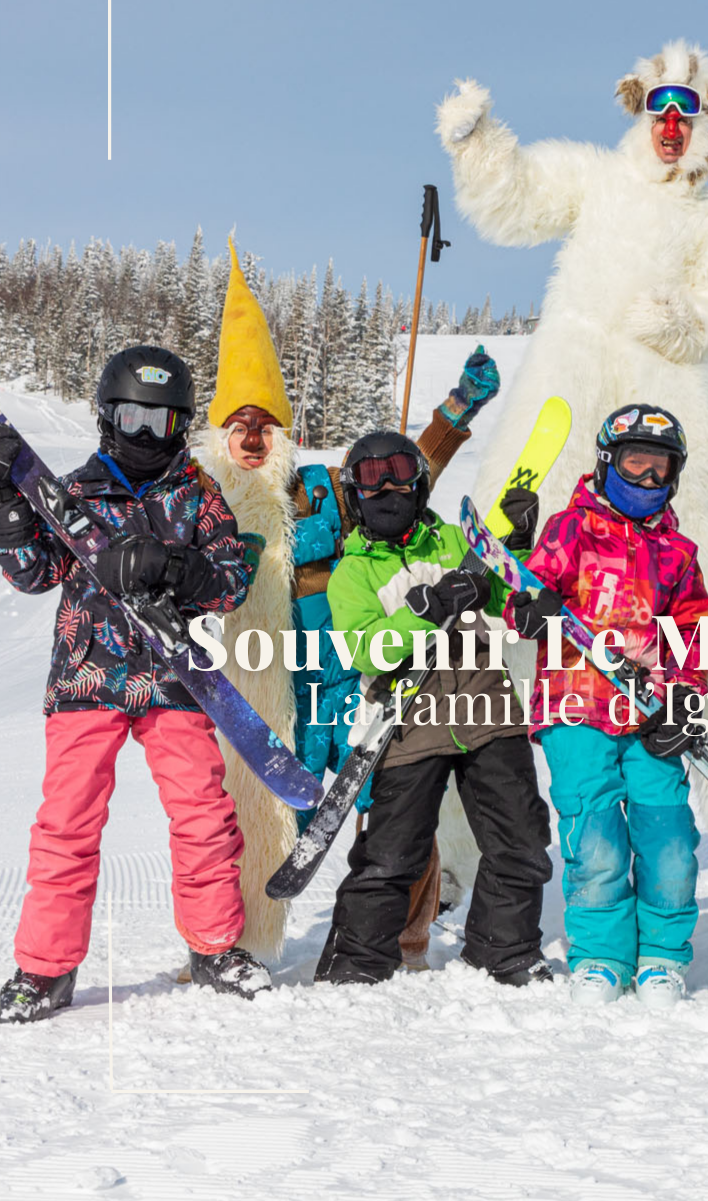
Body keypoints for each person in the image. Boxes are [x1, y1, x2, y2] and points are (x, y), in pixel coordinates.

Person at [440, 42, 708, 928]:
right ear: (639, 111)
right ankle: (443, 853)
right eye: (661, 109)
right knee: (481, 636)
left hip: (668, 423)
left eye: (691, 111)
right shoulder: (597, 182)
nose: (674, 126)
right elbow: (518, 198)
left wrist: (689, 320)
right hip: (559, 421)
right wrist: (479, 143)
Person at [192, 239, 495, 967]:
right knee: (263, 818)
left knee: (396, 810)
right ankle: (245, 943)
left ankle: (401, 939)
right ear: (219, 437)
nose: (255, 438)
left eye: (267, 426)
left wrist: (454, 413)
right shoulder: (200, 502)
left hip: (357, 675)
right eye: (242, 428)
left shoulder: (323, 488)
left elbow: (400, 480)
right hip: (272, 694)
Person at [0, 346, 266, 1023]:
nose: (149, 437)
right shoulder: (75, 495)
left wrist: (175, 568)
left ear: (181, 426)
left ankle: (215, 947)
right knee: (66, 824)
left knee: (203, 814)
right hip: (87, 679)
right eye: (133, 419)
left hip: (177, 680)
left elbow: (232, 580)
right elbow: (33, 573)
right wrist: (8, 509)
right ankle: (43, 970)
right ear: (106, 417)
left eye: (163, 423)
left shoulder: (198, 496)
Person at [315, 431, 552, 986]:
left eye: (400, 471)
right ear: (355, 494)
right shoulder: (353, 573)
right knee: (393, 853)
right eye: (373, 477)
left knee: (519, 836)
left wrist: (514, 558)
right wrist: (426, 613)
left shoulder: (451, 541)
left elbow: (501, 595)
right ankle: (359, 962)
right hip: (406, 722)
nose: (389, 486)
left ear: (420, 484)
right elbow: (363, 647)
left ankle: (505, 949)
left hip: (486, 707)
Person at [506, 405, 708, 1008]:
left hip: (649, 714)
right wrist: (529, 605)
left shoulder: (679, 551)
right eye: (634, 464)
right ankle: (600, 955)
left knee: (669, 838)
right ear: (607, 463)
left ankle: (663, 958)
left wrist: (682, 700)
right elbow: (525, 600)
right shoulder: (571, 530)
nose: (647, 479)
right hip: (576, 706)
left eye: (659, 469)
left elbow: (691, 632)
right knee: (594, 840)